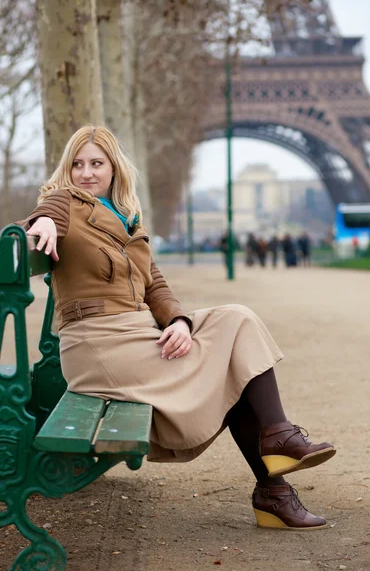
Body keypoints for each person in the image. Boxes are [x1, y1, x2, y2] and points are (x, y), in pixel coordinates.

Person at [13, 125, 336, 531]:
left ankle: (277, 445)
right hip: (101, 346)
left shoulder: (127, 217)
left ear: (114, 168)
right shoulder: (65, 203)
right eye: (77, 164)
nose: (86, 173)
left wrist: (179, 322)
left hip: (137, 333)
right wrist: (39, 223)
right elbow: (48, 215)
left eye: (97, 163)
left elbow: (155, 285)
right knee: (235, 372)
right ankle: (275, 486)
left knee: (237, 320)